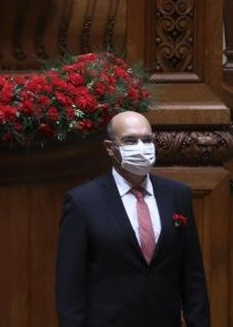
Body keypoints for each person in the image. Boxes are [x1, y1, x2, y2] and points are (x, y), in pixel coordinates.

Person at [55, 111, 210, 327]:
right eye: (130, 140)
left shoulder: (177, 195)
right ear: (110, 148)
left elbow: (193, 276)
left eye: (147, 140)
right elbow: (70, 286)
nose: (141, 147)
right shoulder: (83, 202)